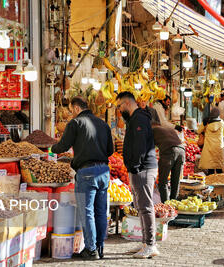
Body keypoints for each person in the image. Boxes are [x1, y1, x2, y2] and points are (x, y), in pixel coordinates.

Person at [51, 96, 113, 260]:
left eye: (71, 110)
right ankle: (100, 248)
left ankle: (91, 250)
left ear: (76, 108)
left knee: (87, 212)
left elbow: (62, 146)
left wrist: (51, 148)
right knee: (100, 211)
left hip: (87, 172)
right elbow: (110, 150)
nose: (71, 114)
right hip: (104, 171)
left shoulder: (75, 123)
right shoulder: (103, 124)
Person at [116, 92, 159, 258]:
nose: (119, 110)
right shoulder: (135, 119)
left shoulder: (139, 118)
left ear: (127, 103)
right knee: (140, 206)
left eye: (119, 106)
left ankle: (150, 245)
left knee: (145, 207)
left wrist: (134, 166)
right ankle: (145, 242)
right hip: (139, 168)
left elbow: (140, 145)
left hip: (143, 169)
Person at [152, 123, 185, 203]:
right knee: (175, 181)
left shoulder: (150, 130)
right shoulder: (165, 127)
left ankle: (166, 206)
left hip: (169, 151)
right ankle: (174, 204)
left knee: (163, 181)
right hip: (182, 150)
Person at [198, 107, 224, 175]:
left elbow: (199, 131)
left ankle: (210, 181)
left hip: (208, 146)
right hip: (219, 146)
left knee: (210, 166)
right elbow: (223, 134)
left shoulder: (206, 122)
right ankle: (220, 181)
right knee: (218, 165)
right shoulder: (222, 123)